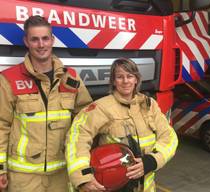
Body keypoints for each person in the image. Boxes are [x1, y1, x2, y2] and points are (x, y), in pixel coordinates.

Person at [0, 15, 92, 192]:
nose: (41, 45)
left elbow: (86, 122)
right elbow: (1, 126)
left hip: (61, 174)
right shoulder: (9, 79)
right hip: (24, 178)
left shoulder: (71, 78)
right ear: (26, 41)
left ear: (52, 40)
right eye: (35, 39)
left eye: (45, 38)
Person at [66, 58, 178, 192]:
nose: (125, 81)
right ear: (113, 81)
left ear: (136, 79)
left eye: (130, 76)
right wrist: (83, 177)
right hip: (116, 187)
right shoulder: (100, 108)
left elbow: (169, 136)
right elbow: (77, 138)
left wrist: (152, 161)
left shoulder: (149, 105)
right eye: (120, 77)